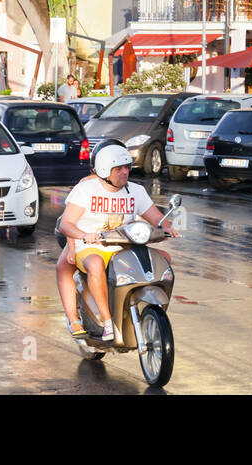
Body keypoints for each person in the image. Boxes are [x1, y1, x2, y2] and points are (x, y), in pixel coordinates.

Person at [57, 145, 179, 341]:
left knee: (163, 259)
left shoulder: (136, 191)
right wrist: (83, 235)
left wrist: (167, 227)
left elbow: (157, 218)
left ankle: (151, 310)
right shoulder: (85, 190)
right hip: (92, 246)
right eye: (119, 168)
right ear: (105, 169)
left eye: (127, 167)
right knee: (95, 263)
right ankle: (107, 321)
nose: (125, 172)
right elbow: (66, 223)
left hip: (125, 246)